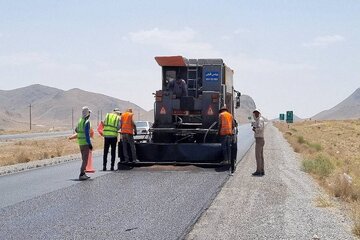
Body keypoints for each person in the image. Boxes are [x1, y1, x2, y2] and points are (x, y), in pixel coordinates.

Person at [75, 106, 93, 180]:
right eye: (89, 113)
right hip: (85, 143)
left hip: (80, 142)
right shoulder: (87, 122)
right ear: (87, 114)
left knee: (83, 158)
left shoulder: (80, 120)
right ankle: (82, 174)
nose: (89, 114)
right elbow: (86, 134)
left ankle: (83, 173)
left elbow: (76, 130)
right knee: (85, 159)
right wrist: (89, 144)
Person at [218, 106, 235, 175]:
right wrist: (231, 130)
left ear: (221, 110)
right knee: (229, 147)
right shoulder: (230, 115)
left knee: (224, 147)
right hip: (229, 133)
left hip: (223, 133)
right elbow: (233, 125)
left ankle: (226, 160)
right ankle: (229, 161)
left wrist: (218, 132)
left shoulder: (221, 115)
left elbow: (220, 124)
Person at [252, 109, 265, 176]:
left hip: (259, 139)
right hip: (260, 139)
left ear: (259, 113)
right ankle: (262, 170)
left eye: (256, 113)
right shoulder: (259, 120)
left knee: (258, 156)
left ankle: (259, 171)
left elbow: (260, 128)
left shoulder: (260, 120)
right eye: (255, 113)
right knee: (260, 156)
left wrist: (255, 129)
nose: (255, 114)